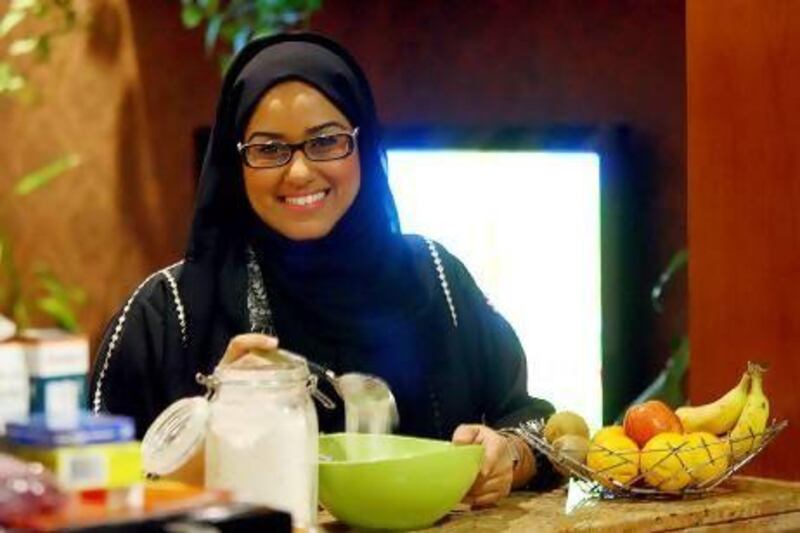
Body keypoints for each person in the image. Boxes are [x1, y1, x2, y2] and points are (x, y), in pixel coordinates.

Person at [89, 32, 559, 505]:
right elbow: (88, 490)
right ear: (236, 163)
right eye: (269, 149)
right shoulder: (170, 313)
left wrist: (509, 458)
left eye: (326, 141)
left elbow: (531, 421)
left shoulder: (434, 279)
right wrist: (218, 423)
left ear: (362, 143)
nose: (298, 173)